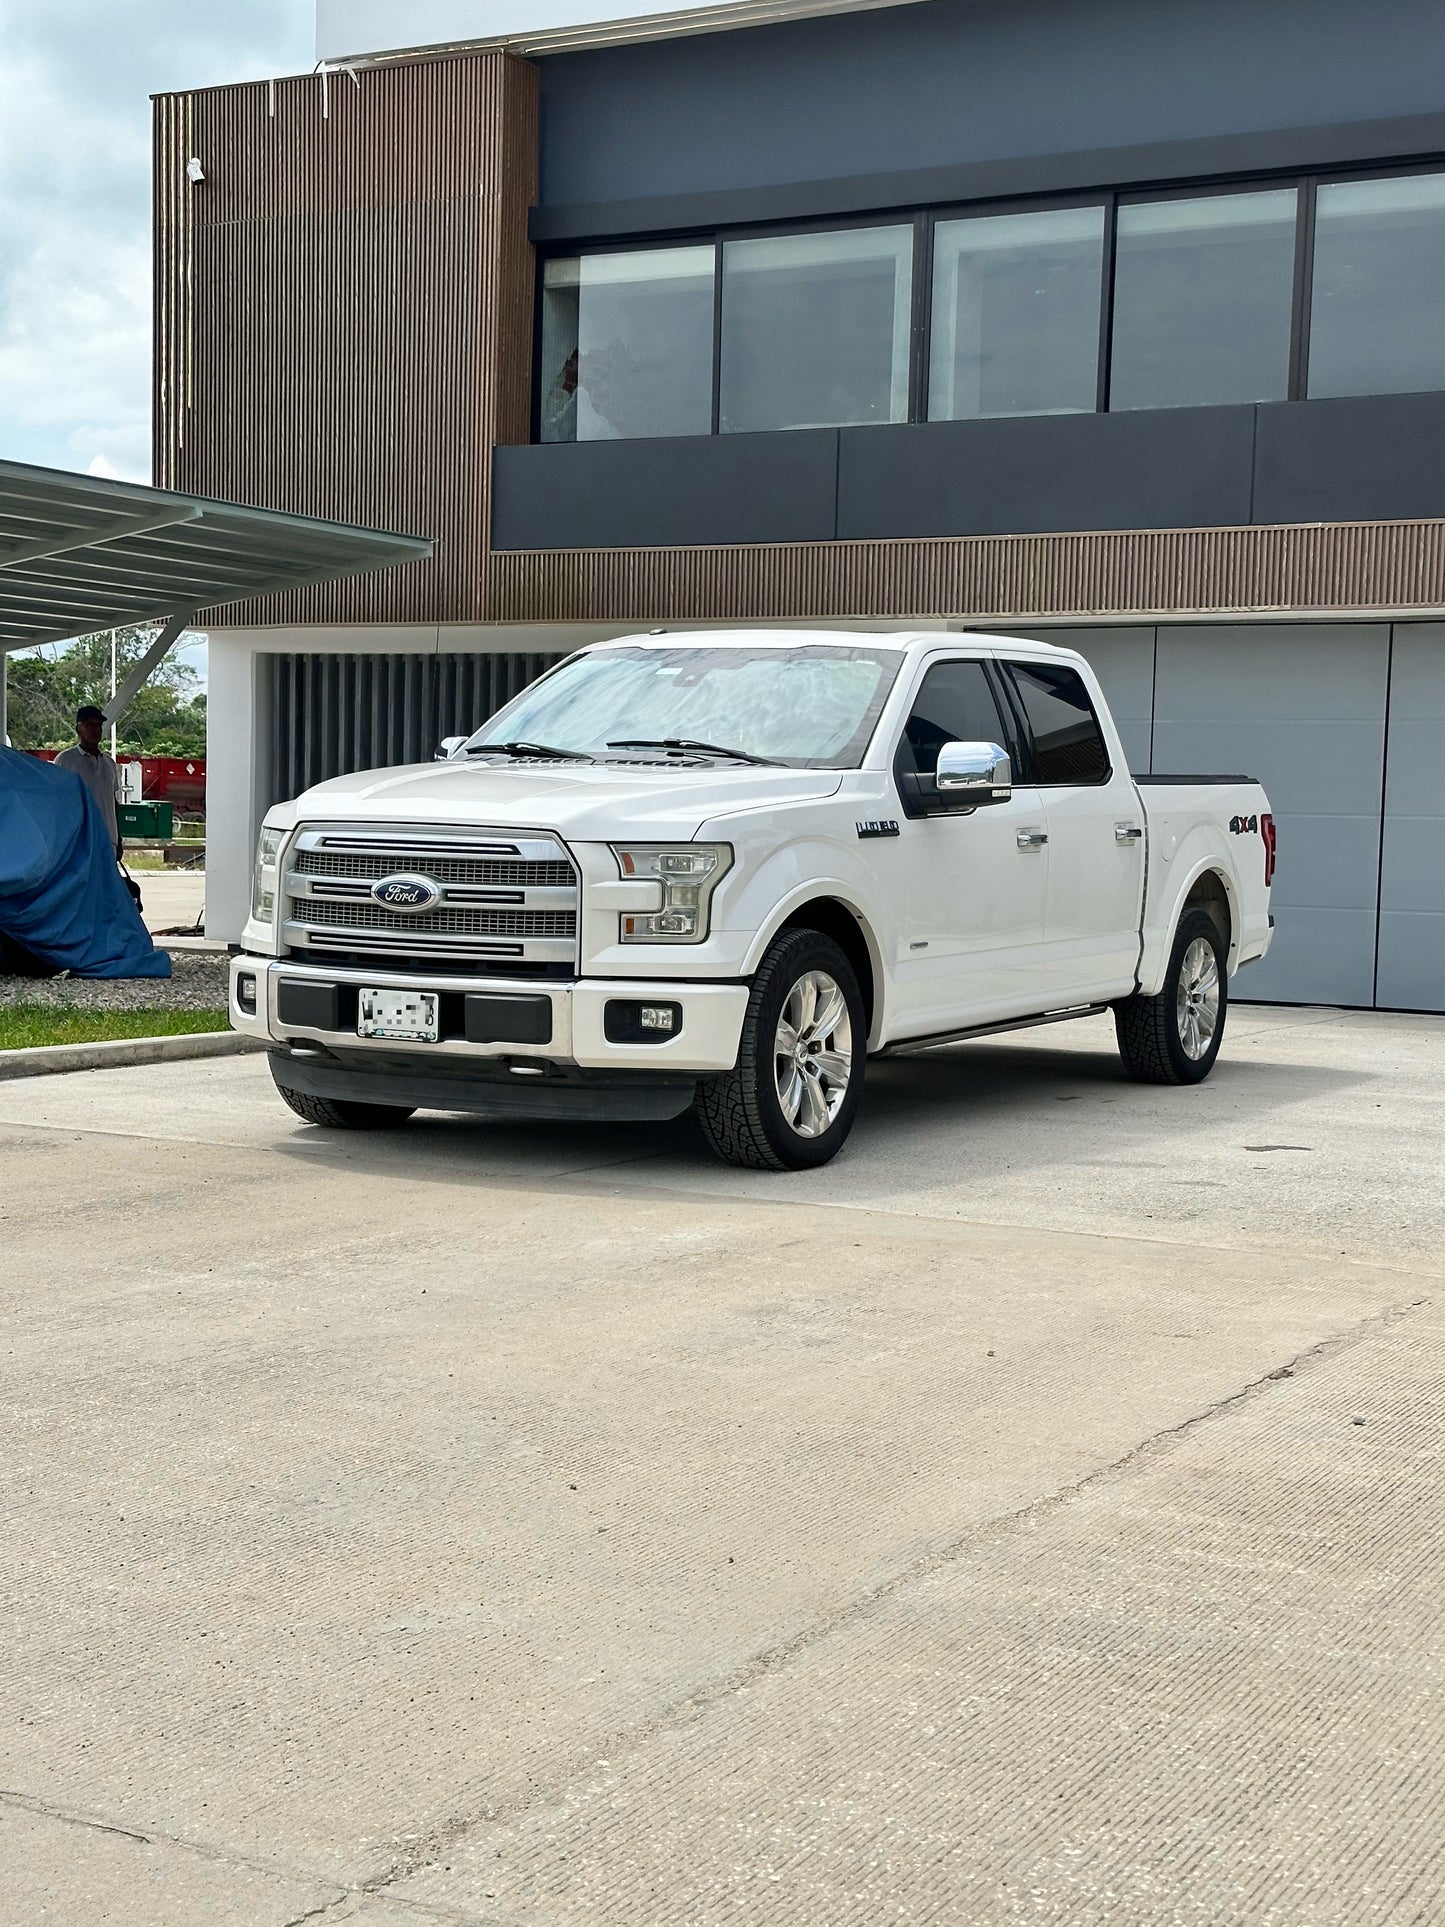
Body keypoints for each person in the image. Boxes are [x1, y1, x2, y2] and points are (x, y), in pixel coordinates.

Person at [53, 705, 122, 860]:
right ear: (79, 729)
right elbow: (58, 803)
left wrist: (119, 839)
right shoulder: (65, 760)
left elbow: (113, 802)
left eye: (98, 725)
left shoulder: (109, 763)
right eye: (89, 725)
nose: (95, 730)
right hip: (79, 840)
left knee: (105, 883)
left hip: (108, 838)